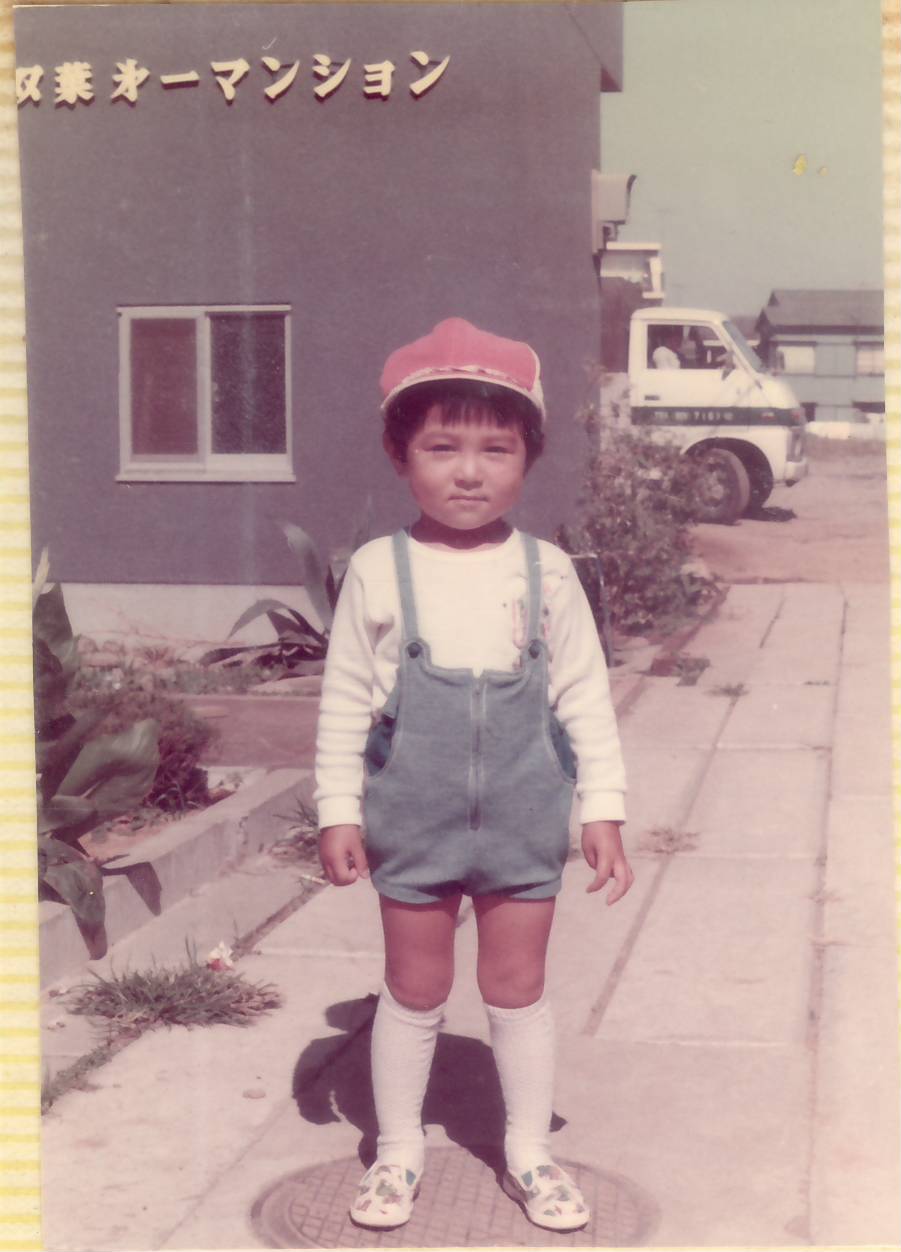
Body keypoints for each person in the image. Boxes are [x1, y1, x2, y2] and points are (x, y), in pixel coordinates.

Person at [315, 317, 632, 1233]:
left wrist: (602, 810)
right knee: (414, 989)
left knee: (516, 987)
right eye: (441, 447)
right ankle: (396, 1150)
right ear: (398, 454)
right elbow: (343, 701)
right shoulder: (379, 570)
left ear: (527, 457)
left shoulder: (547, 572)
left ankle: (527, 1148)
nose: (468, 472)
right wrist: (338, 810)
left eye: (495, 449)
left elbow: (584, 696)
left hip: (524, 820)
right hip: (411, 820)